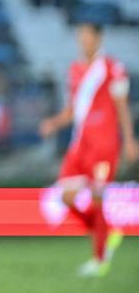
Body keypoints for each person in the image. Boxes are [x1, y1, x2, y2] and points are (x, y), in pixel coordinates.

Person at [39, 22, 138, 277]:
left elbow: (122, 105)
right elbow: (75, 109)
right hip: (80, 143)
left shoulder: (110, 67)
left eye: (87, 35)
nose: (83, 40)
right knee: (65, 196)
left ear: (98, 38)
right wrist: (54, 122)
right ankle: (104, 231)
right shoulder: (74, 69)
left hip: (104, 144)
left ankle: (99, 258)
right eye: (80, 36)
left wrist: (129, 139)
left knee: (97, 199)